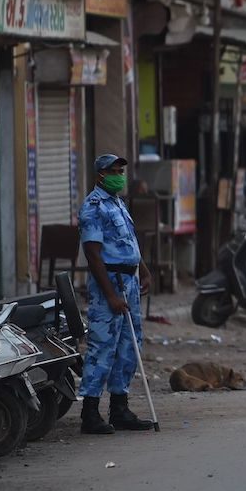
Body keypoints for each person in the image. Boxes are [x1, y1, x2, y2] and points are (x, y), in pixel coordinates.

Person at [78, 154, 156, 433]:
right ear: (100, 174)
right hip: (109, 282)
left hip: (130, 280)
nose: (119, 176)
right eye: (113, 171)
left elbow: (129, 243)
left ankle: (119, 408)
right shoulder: (93, 207)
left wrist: (143, 271)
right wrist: (110, 294)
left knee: (129, 344)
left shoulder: (118, 203)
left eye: (121, 171)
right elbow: (92, 253)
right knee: (102, 346)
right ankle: (90, 412)